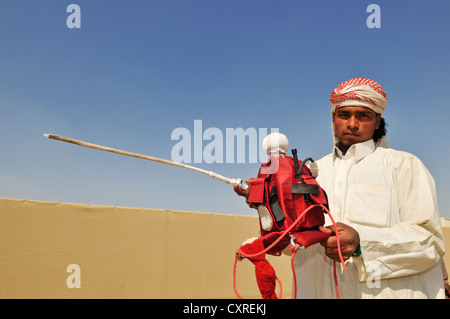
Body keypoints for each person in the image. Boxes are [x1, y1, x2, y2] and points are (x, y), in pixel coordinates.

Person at [235, 77, 446, 298]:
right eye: (344, 115)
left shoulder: (403, 165)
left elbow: (429, 241)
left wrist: (362, 243)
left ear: (377, 121)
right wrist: (270, 206)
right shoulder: (308, 174)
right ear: (333, 118)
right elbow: (297, 241)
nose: (352, 123)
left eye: (363, 115)